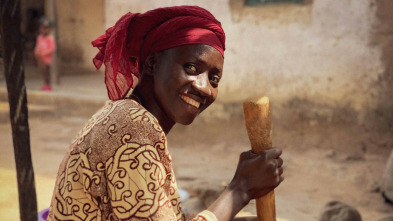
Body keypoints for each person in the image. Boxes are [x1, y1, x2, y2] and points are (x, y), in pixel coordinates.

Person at [47, 6, 284, 221]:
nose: (204, 88)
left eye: (214, 79)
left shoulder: (127, 115)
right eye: (191, 67)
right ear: (151, 63)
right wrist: (240, 189)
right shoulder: (131, 127)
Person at [34, 19, 56, 91]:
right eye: (42, 28)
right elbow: (38, 46)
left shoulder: (50, 38)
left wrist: (44, 53)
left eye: (46, 28)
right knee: (43, 71)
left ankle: (48, 84)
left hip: (46, 59)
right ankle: (45, 84)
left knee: (47, 71)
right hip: (40, 58)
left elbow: (52, 48)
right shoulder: (40, 37)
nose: (44, 30)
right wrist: (36, 52)